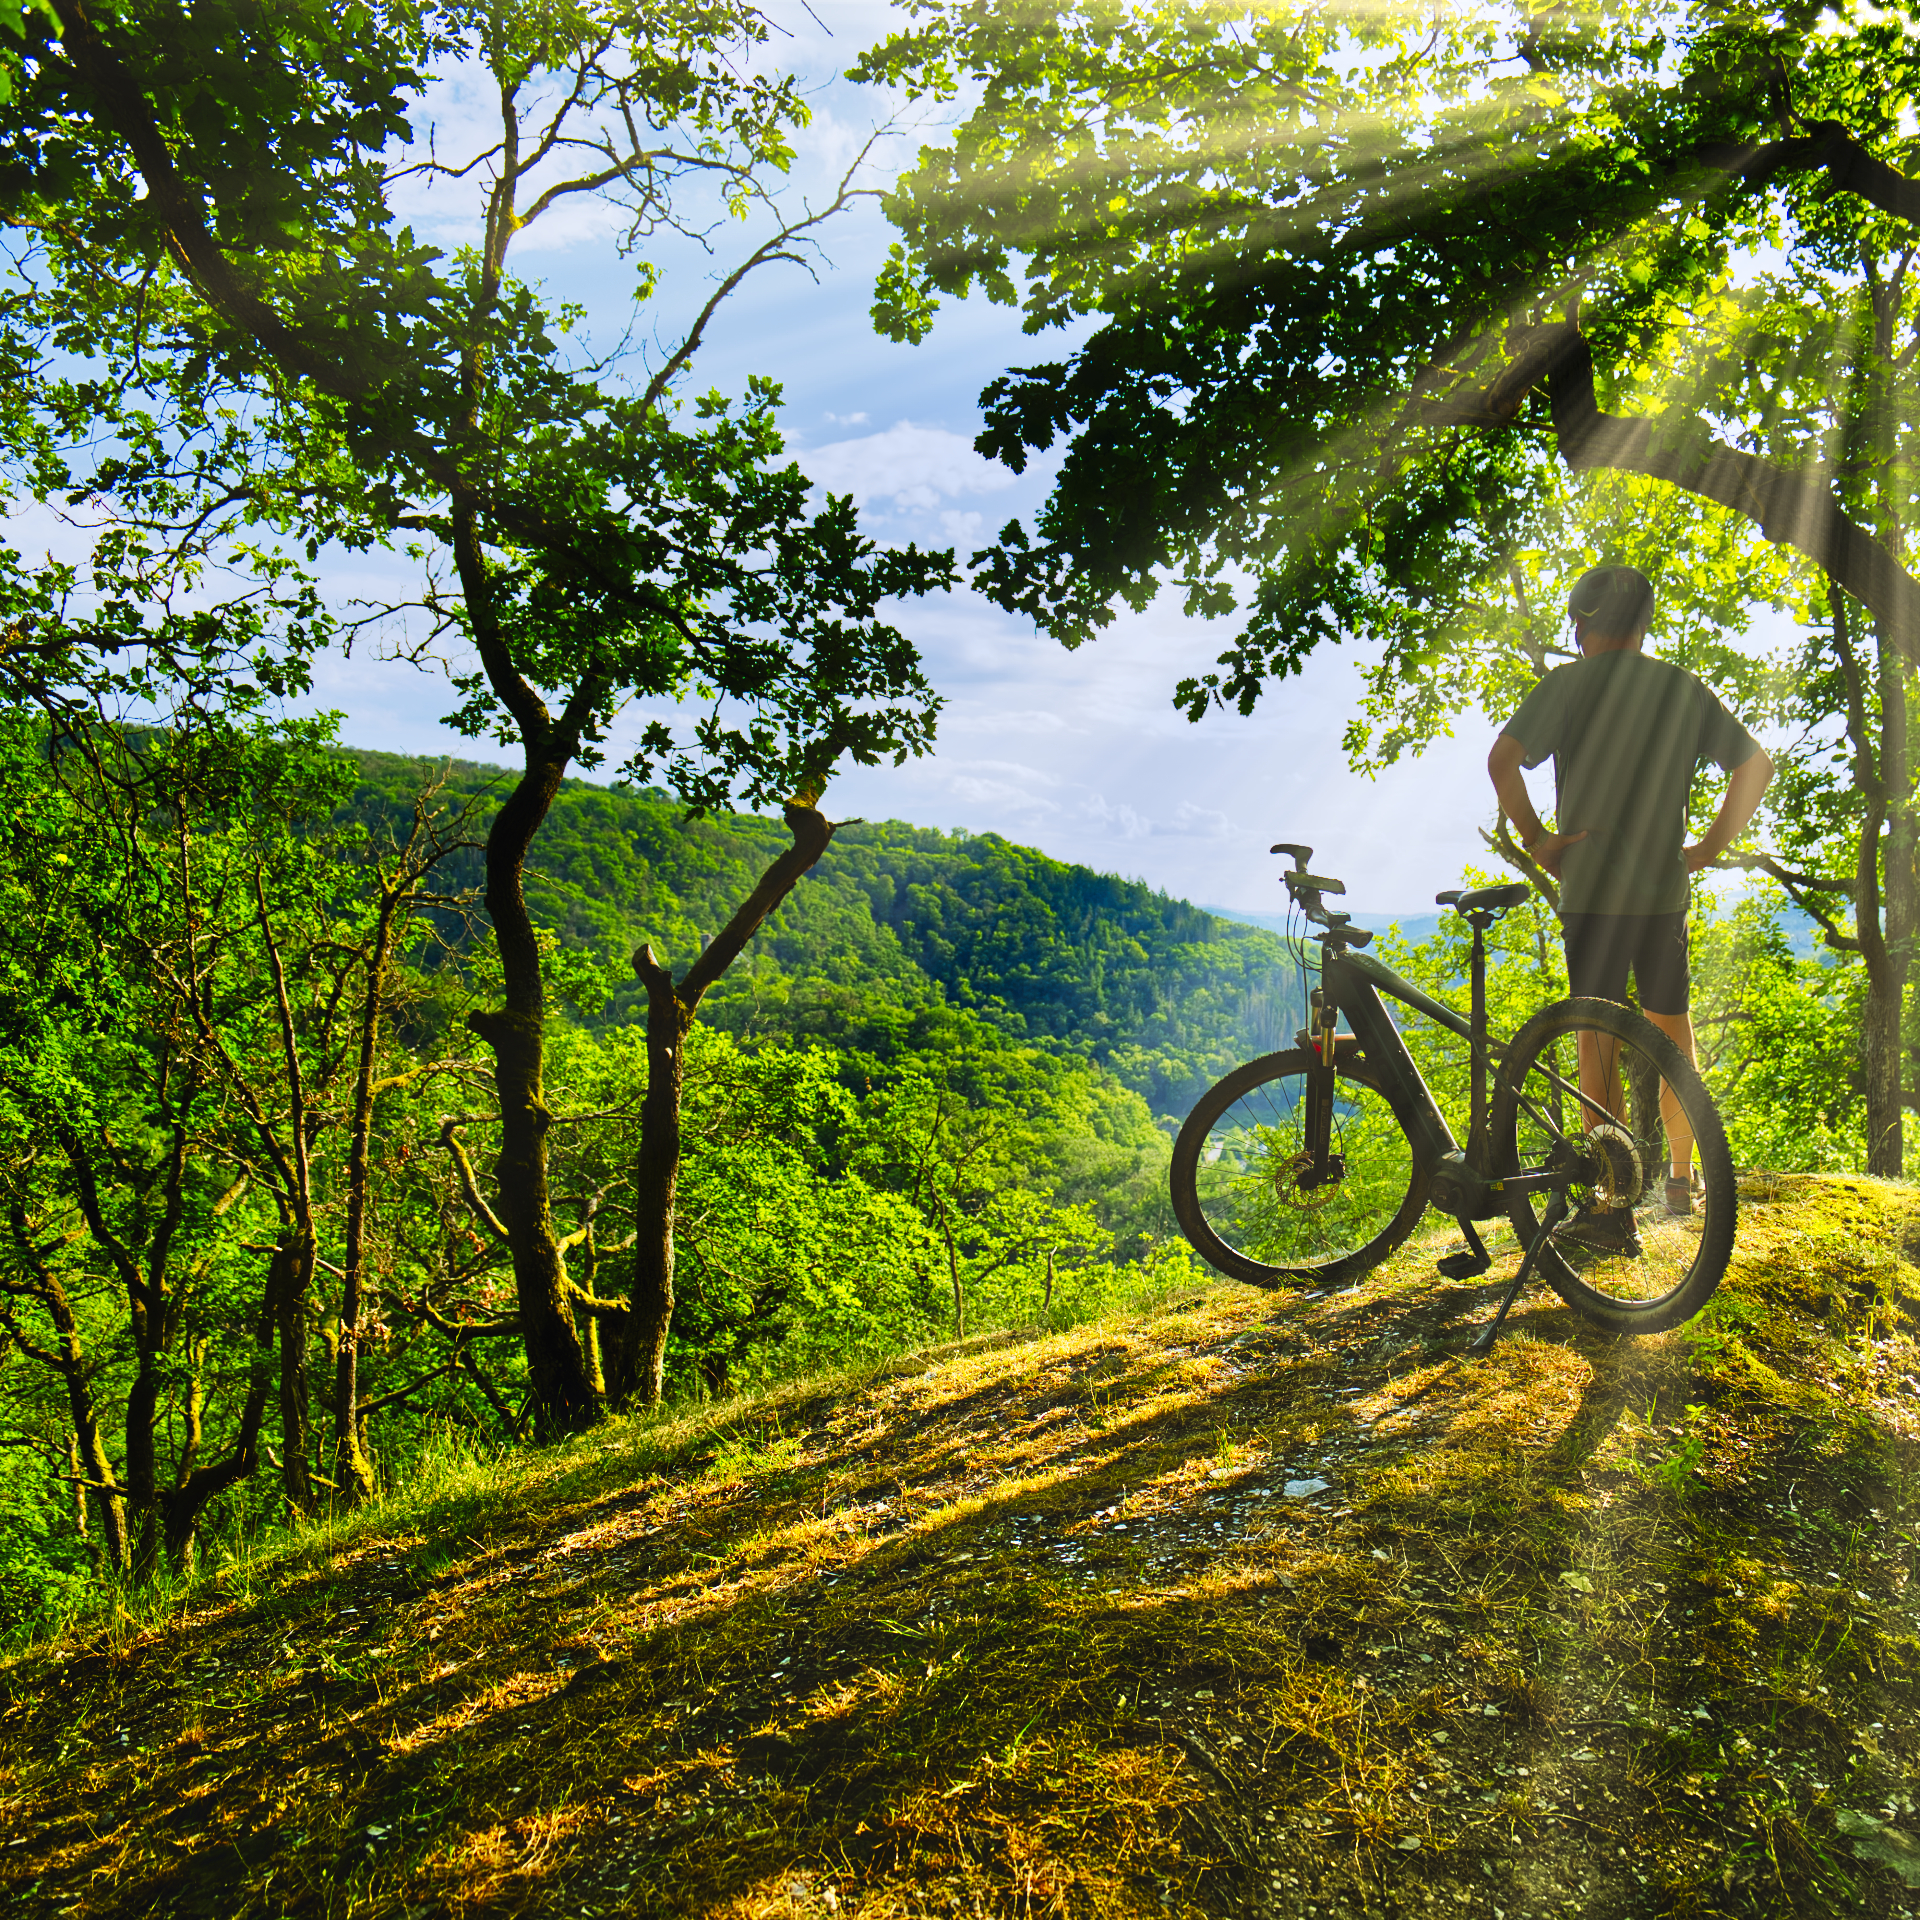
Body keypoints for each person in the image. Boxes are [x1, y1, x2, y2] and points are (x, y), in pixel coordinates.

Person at [1487, 564, 1773, 1253]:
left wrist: (1540, 841)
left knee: (1598, 1040)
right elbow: (1755, 765)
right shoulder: (1679, 687)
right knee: (1672, 1032)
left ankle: (1612, 1207)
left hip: (1591, 895)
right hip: (1661, 895)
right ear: (1643, 626)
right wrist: (1707, 847)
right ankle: (1680, 1178)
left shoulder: (1567, 686)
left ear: (1580, 626)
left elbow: (1502, 760)